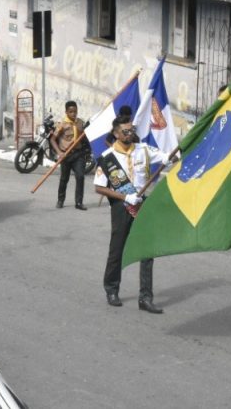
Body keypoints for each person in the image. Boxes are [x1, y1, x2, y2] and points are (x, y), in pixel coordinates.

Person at [94, 115, 173, 314]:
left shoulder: (143, 150)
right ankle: (111, 289)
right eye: (125, 131)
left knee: (147, 250)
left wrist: (173, 156)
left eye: (131, 130)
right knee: (117, 249)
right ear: (115, 133)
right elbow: (99, 188)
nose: (129, 134)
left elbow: (166, 158)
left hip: (142, 204)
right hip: (122, 206)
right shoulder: (108, 157)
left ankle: (145, 297)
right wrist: (124, 197)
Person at [53, 100, 87, 210]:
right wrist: (59, 153)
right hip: (66, 155)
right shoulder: (62, 124)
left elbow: (83, 136)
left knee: (80, 176)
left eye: (75, 111)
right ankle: (60, 200)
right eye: (71, 112)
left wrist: (82, 132)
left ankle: (78, 202)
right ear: (66, 112)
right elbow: (53, 140)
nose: (73, 114)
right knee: (64, 179)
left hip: (78, 154)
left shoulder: (80, 122)